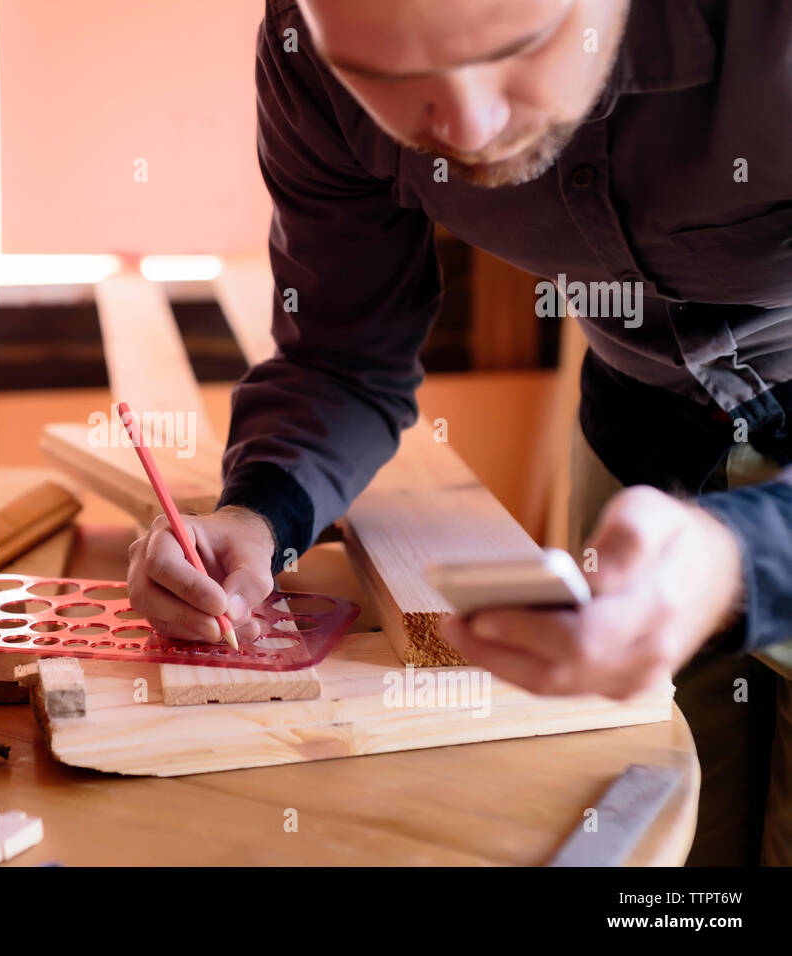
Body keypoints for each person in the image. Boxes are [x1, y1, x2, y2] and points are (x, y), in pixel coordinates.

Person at [125, 0, 791, 864]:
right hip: (643, 443)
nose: (471, 128)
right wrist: (259, 515)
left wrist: (741, 560)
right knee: (672, 846)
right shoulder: (309, 44)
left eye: (519, 49)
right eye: (388, 79)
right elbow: (341, 357)